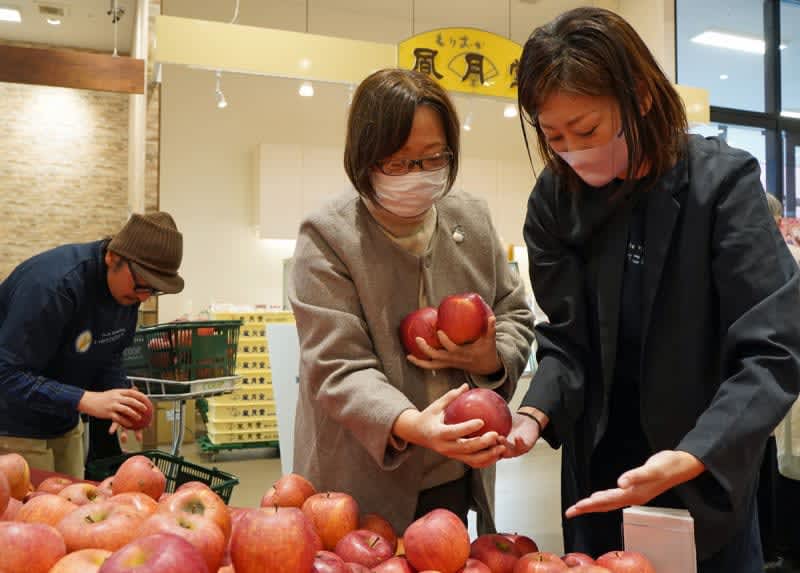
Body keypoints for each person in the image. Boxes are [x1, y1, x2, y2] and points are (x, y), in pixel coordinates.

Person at [502, 7, 800, 572]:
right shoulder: (555, 200)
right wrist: (533, 414)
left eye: (586, 131)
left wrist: (695, 453)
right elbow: (569, 340)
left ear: (639, 97)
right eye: (553, 136)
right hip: (600, 477)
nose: (571, 152)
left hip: (704, 469)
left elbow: (774, 347)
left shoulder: (721, 186)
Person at [289, 68, 534, 535]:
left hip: (456, 470)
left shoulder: (471, 219)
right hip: (361, 479)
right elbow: (337, 364)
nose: (418, 175)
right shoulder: (328, 236)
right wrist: (408, 423)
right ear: (364, 158)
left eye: (433, 158)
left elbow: (514, 311)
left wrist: (490, 356)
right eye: (398, 163)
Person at [0, 211, 184, 479]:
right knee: (30, 503)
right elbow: (6, 372)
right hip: (11, 427)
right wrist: (85, 399)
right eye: (141, 284)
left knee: (72, 499)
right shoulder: (52, 287)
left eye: (154, 290)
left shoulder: (128, 293)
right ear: (113, 257)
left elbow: (109, 352)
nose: (144, 297)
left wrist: (119, 395)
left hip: (64, 422)